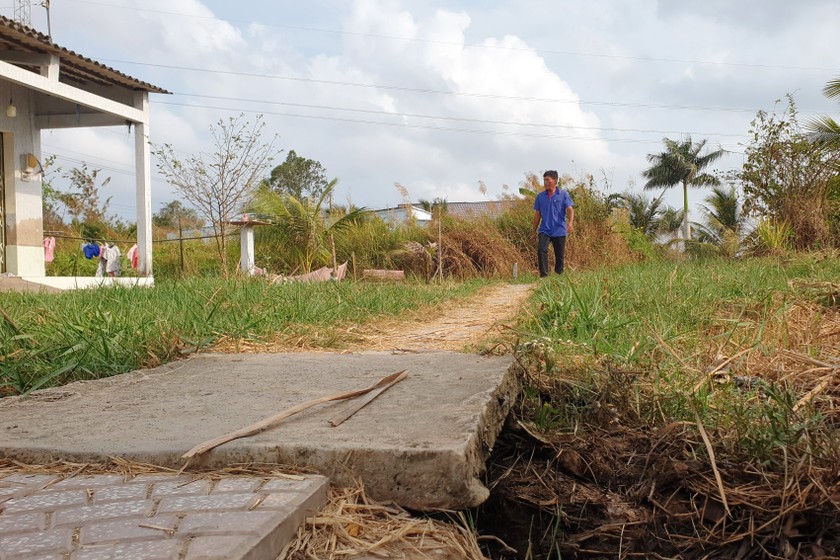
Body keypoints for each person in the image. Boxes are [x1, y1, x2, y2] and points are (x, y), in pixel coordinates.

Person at [532, 170, 574, 277]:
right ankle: (544, 276)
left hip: (559, 230)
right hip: (544, 229)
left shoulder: (563, 195)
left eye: (548, 180)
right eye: (544, 180)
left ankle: (559, 276)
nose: (545, 182)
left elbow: (570, 209)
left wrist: (570, 223)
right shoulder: (540, 197)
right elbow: (537, 214)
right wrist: (533, 231)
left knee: (559, 256)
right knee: (542, 250)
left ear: (555, 181)